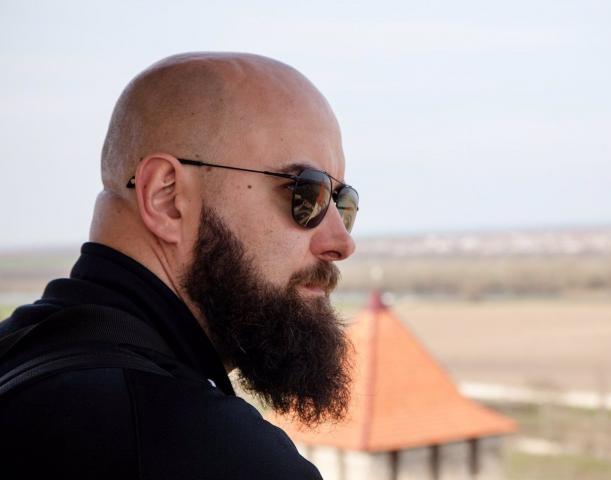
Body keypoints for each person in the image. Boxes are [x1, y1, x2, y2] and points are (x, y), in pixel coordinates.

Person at [0, 52, 359, 479]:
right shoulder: (208, 452)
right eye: (306, 194)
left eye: (342, 202)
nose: (342, 242)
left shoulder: (19, 356)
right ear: (166, 198)